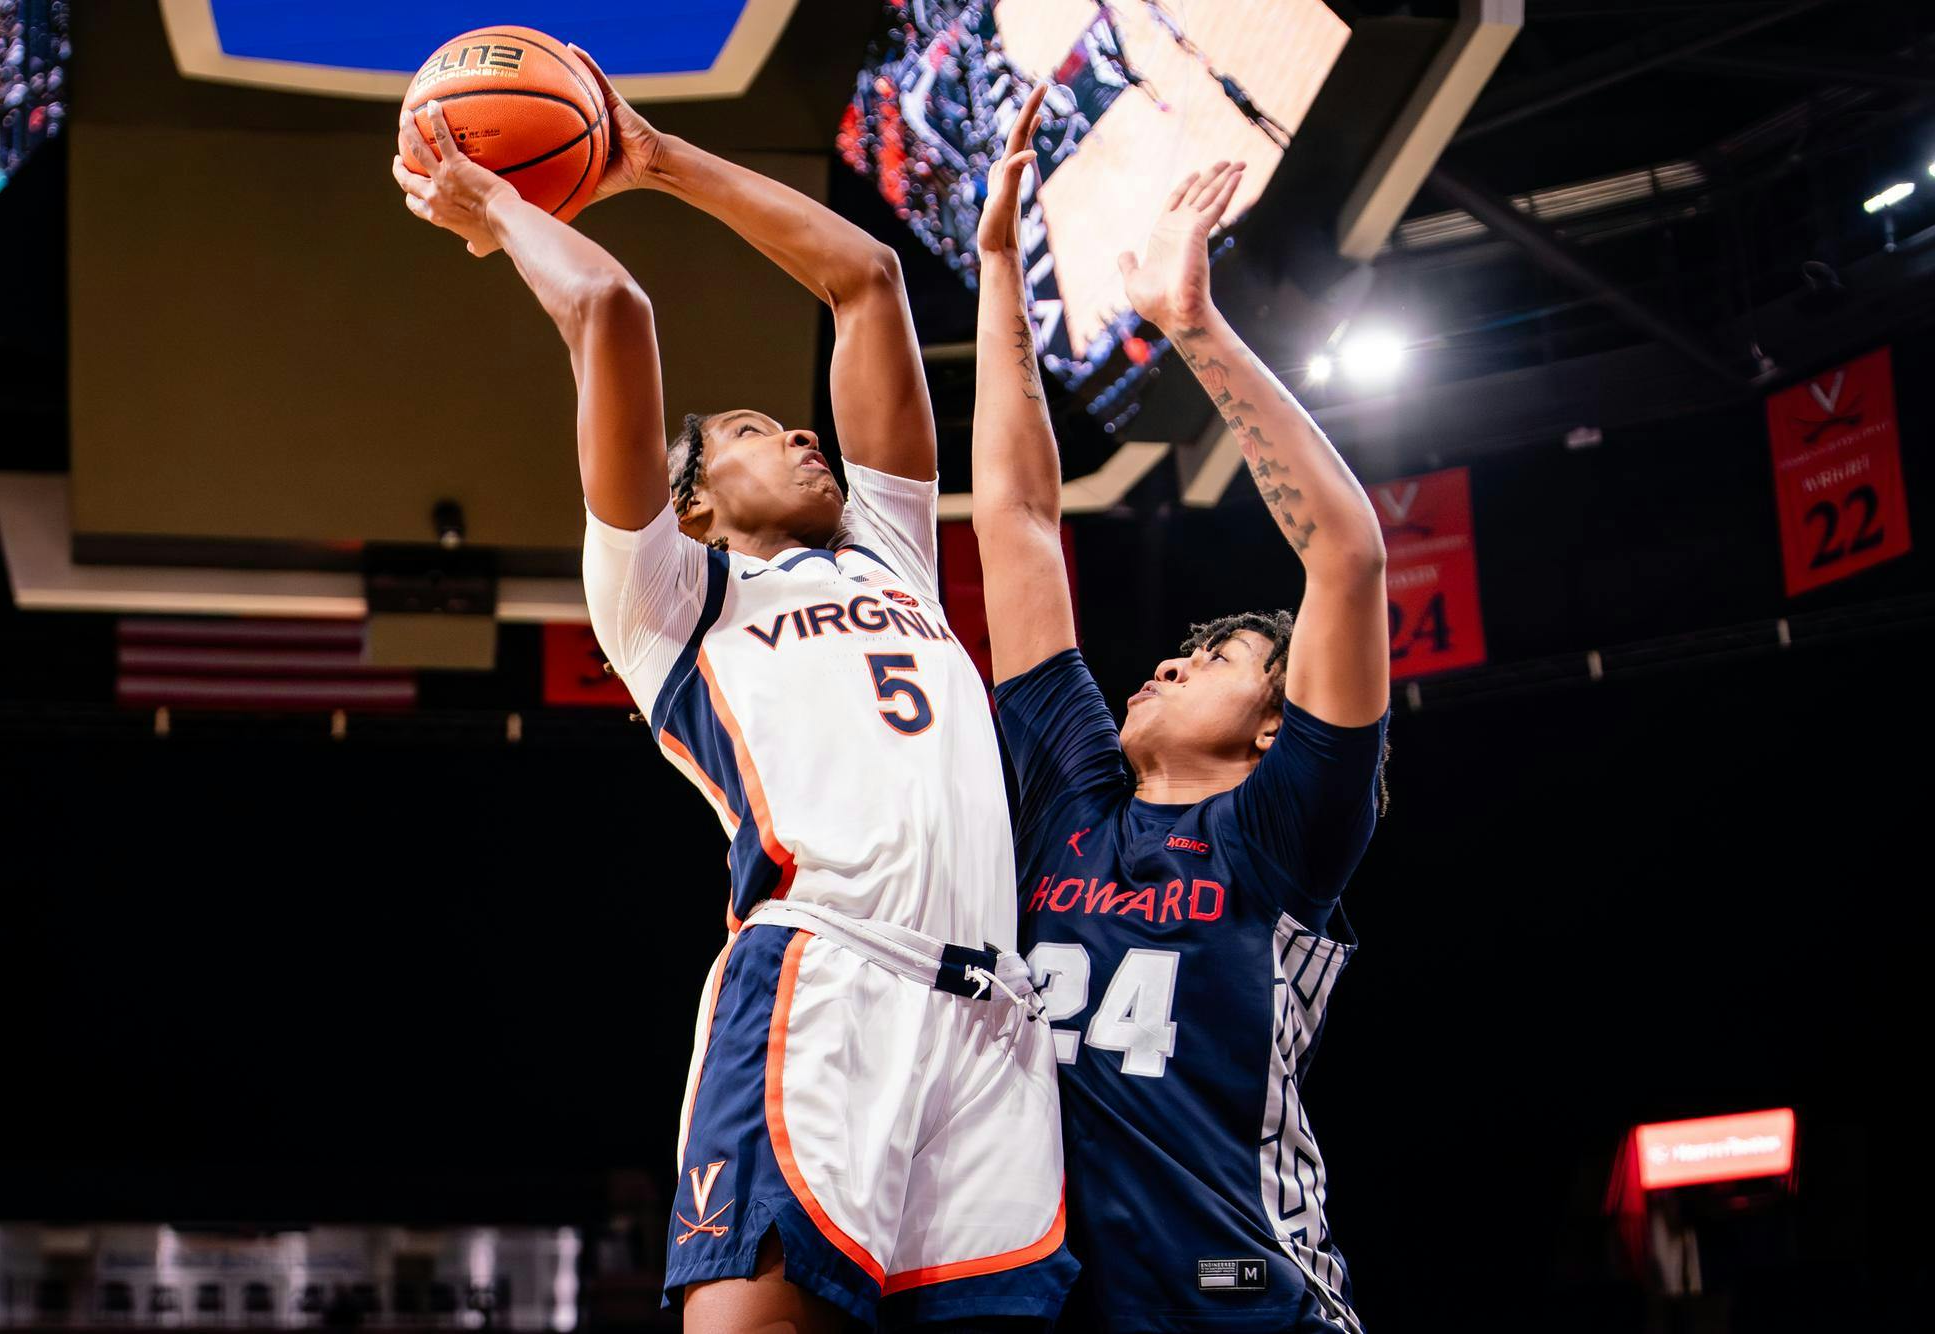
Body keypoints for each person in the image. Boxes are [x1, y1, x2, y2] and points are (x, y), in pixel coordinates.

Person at [393, 62, 1073, 1334]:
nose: (805, 436)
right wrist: (503, 210)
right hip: (825, 984)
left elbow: (865, 279)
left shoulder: (887, 552)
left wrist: (654, 158)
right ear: (693, 495)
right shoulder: (668, 597)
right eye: (761, 427)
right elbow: (610, 307)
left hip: (992, 1027)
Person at [971, 111, 1391, 1333]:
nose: (1168, 659)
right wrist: (999, 269)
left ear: (1273, 727)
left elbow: (1345, 557)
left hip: (1242, 1295)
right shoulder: (1073, 797)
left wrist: (1190, 323)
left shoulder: (1278, 832)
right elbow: (1017, 520)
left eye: (1217, 660)